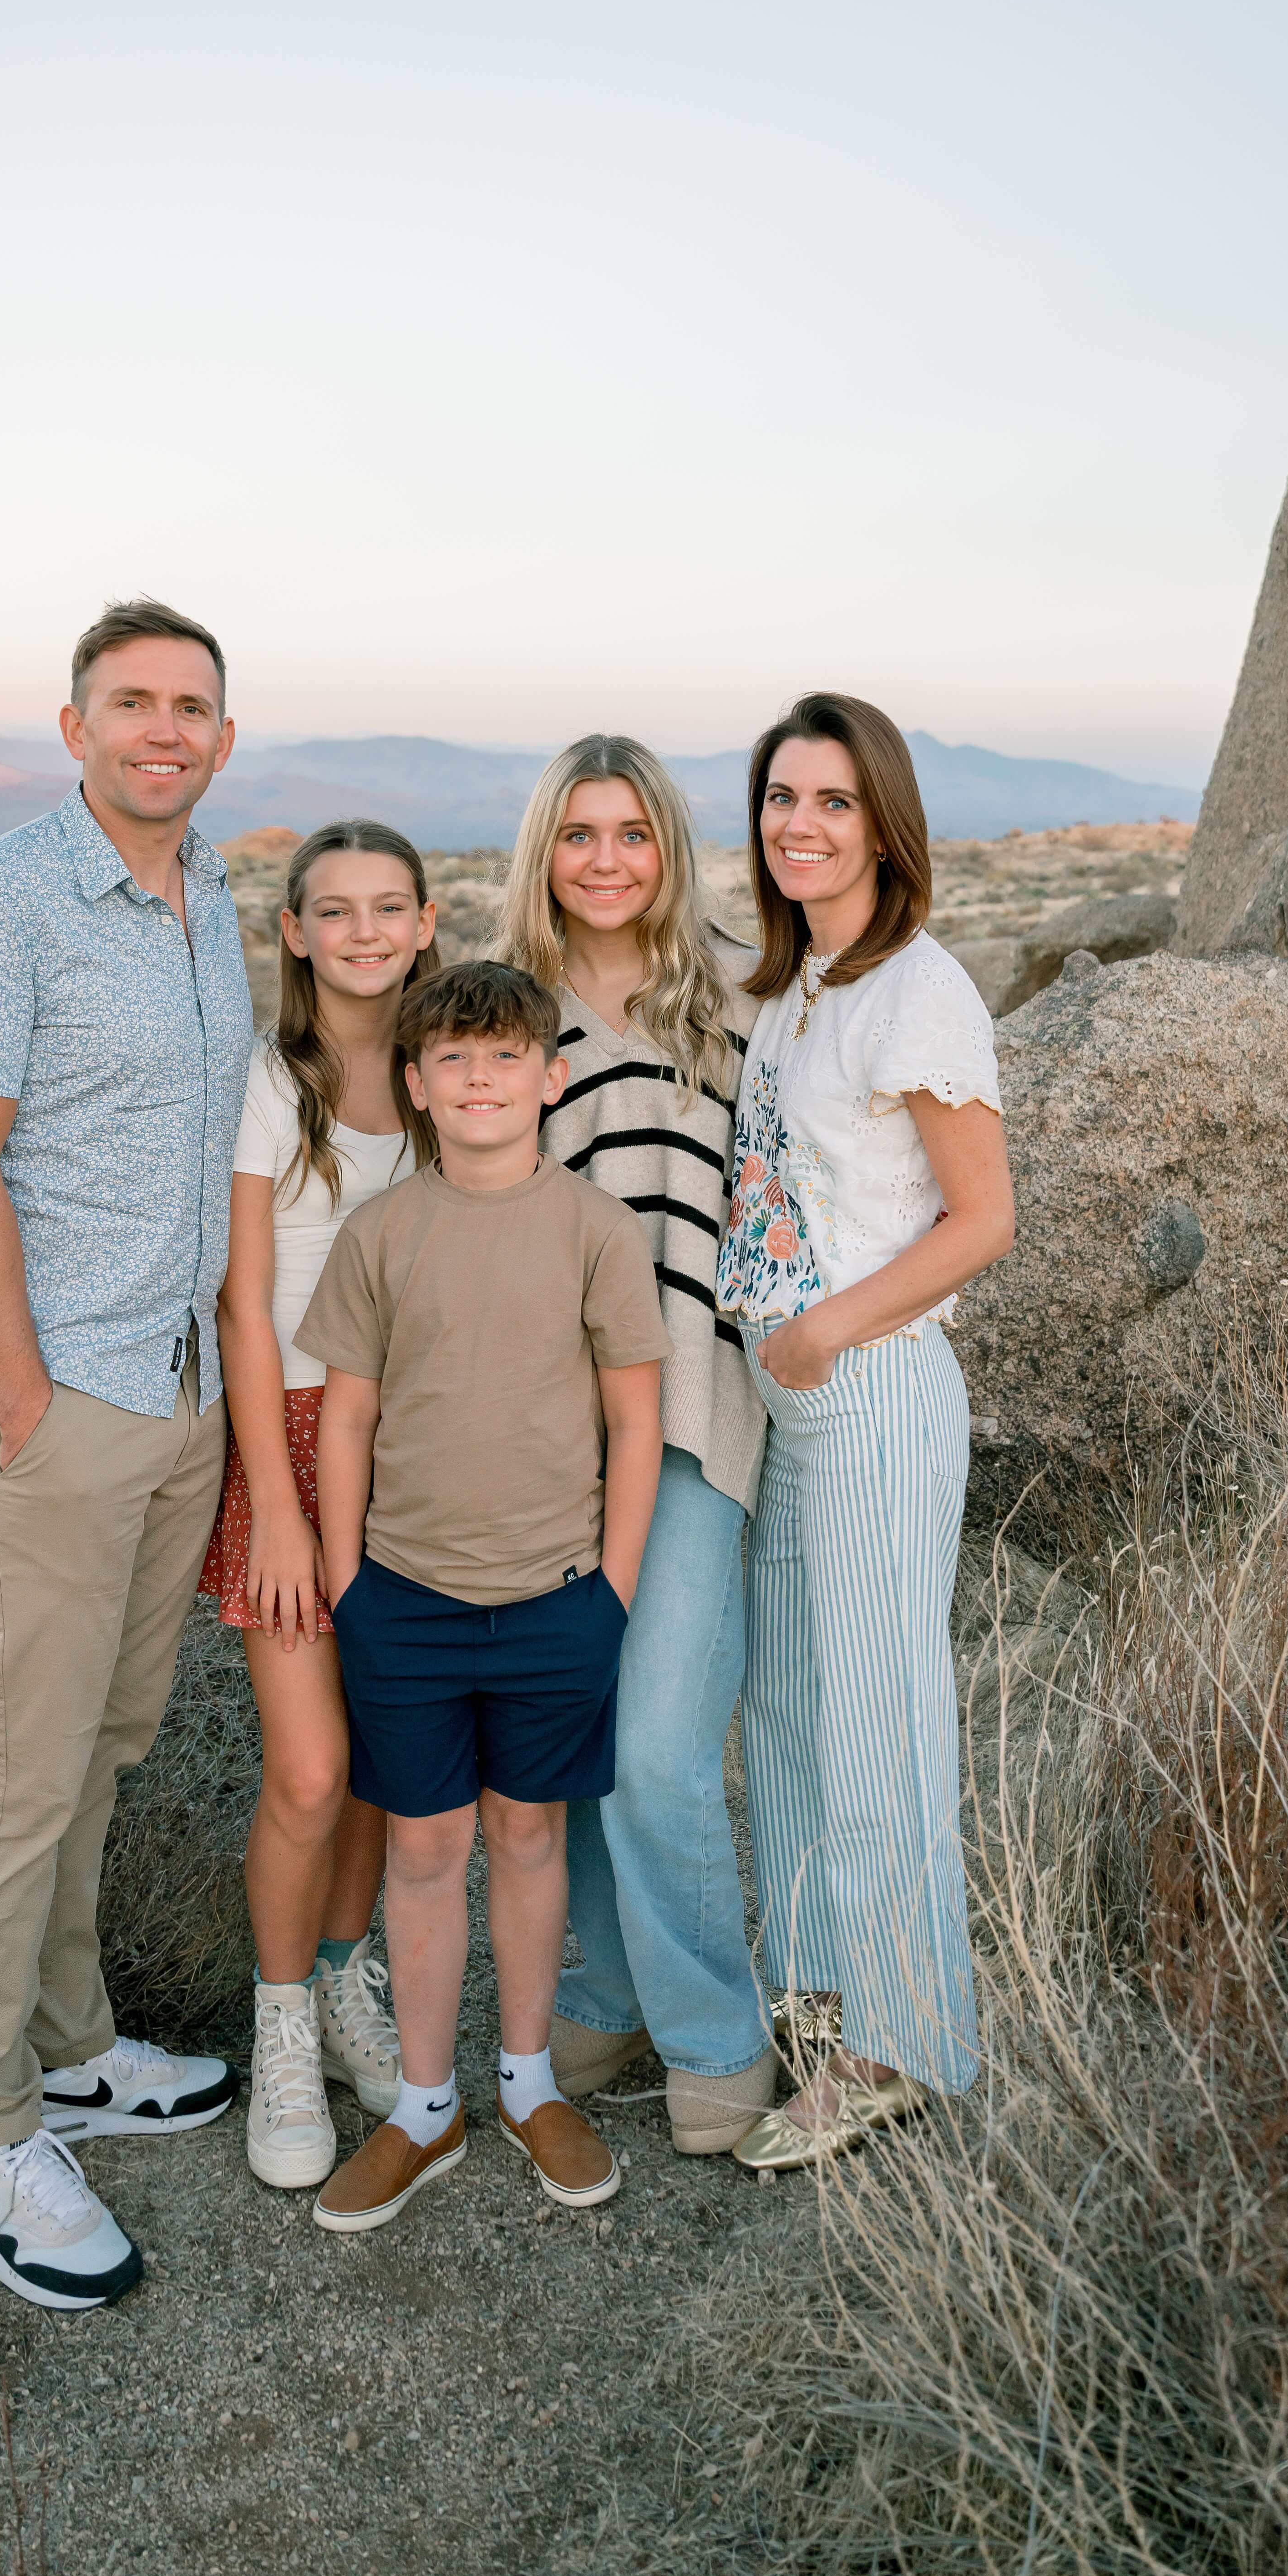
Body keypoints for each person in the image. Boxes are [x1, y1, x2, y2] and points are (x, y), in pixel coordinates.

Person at [0, 596, 252, 2315]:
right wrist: (28, 1401)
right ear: (75, 728)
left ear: (223, 740)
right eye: (133, 704)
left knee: (103, 1746)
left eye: (190, 707)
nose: (162, 731)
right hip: (58, 1403)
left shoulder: (217, 904)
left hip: (174, 1397)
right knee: (23, 1767)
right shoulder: (1, 900)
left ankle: (72, 2052)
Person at [299, 961, 667, 2236]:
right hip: (403, 1598)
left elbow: (636, 1411)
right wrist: (348, 1581)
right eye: (451, 1059)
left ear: (550, 1078)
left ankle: (524, 2082)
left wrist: (613, 1591)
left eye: (504, 1057)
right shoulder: (384, 1234)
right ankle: (421, 2105)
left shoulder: (594, 1229)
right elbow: (346, 1415)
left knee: (527, 1838)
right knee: (422, 1847)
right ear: (415, 1085)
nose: (477, 1078)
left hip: (559, 1599)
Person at [714, 692, 1015, 2174]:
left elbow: (987, 1219)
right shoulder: (802, 986)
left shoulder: (919, 990)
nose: (800, 825)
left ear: (882, 820)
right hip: (792, 1407)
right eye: (781, 798)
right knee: (791, 1708)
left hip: (878, 1392)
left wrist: (830, 1330)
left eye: (831, 801)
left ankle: (898, 2045)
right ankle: (823, 2004)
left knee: (883, 1712)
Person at [495, 737, 776, 2154]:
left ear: (666, 846)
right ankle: (601, 2000)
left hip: (691, 1416)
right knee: (575, 1739)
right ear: (544, 852)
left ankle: (721, 2039)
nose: (605, 860)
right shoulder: (501, 1016)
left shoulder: (738, 990)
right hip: (542, 1436)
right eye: (578, 835)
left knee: (663, 1746)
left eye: (632, 833)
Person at [206, 821, 437, 2188]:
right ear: (293, 931)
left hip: (417, 1451)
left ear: (425, 921)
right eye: (333, 910)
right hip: (290, 1441)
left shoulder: (447, 1073)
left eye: (387, 908)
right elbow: (246, 1303)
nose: (361, 932)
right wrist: (279, 1512)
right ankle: (283, 2021)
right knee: (308, 1768)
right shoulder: (265, 1084)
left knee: (387, 1760)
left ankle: (351, 1979)